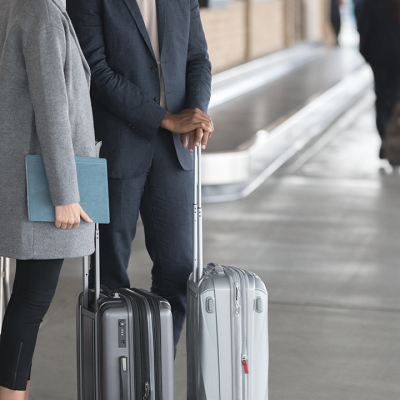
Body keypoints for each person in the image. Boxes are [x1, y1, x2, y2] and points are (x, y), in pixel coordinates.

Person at [67, 0, 213, 353]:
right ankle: (118, 374)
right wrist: (165, 118)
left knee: (178, 270)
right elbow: (95, 71)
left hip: (174, 150)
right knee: (109, 275)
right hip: (118, 147)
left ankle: (154, 374)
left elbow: (198, 59)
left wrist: (197, 111)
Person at [0, 0, 96, 398]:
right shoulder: (39, 11)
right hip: (42, 186)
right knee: (31, 302)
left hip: (25, 175)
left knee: (26, 299)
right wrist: (65, 194)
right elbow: (52, 106)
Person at [354, 0, 400, 158]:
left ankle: (385, 141)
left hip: (378, 57)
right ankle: (392, 140)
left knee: (381, 97)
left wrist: (366, 53)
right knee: (395, 98)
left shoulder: (371, 3)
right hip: (396, 57)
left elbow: (364, 27)